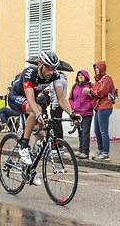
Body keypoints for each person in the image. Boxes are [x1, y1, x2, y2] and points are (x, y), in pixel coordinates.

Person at [8, 51, 76, 186]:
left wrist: (72, 113)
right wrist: (38, 114)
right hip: (15, 97)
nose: (52, 71)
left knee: (41, 136)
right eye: (49, 68)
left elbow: (61, 99)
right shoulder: (29, 73)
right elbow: (31, 100)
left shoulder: (55, 76)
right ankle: (23, 146)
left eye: (54, 68)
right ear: (40, 64)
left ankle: (30, 170)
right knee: (36, 110)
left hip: (29, 102)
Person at [83, 61, 113, 161]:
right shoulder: (97, 81)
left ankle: (105, 153)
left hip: (105, 107)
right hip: (98, 107)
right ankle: (100, 151)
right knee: (97, 131)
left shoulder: (107, 79)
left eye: (97, 68)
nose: (96, 70)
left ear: (102, 68)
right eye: (95, 68)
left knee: (103, 131)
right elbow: (95, 93)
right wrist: (91, 92)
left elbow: (101, 92)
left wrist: (90, 91)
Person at [69, 70, 93, 159]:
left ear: (86, 76)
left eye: (82, 75)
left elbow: (93, 97)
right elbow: (70, 98)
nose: (80, 77)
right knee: (80, 132)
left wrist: (89, 106)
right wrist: (73, 107)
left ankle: (85, 152)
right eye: (79, 75)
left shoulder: (90, 86)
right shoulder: (75, 86)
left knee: (85, 132)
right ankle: (80, 150)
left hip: (87, 113)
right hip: (77, 114)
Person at [50, 71, 68, 139]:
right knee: (58, 124)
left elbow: (57, 94)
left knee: (56, 125)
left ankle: (58, 142)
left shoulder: (59, 80)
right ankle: (59, 142)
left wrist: (54, 106)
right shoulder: (64, 79)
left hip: (57, 105)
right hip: (59, 104)